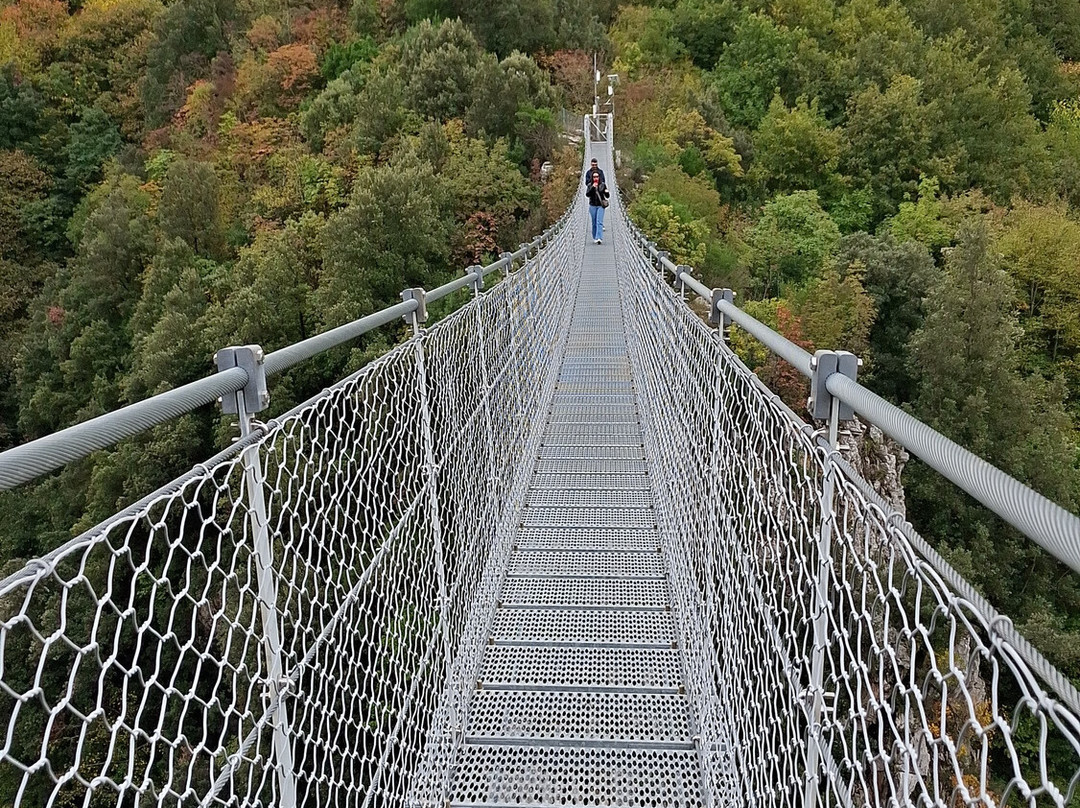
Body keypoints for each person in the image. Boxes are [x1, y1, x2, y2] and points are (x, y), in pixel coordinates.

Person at [586, 174, 609, 244]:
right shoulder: (590, 185)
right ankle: (595, 236)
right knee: (594, 222)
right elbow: (587, 194)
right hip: (592, 205)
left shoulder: (603, 185)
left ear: (599, 177)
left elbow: (607, 196)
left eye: (597, 177)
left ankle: (599, 237)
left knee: (599, 222)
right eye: (594, 177)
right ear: (592, 178)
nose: (596, 178)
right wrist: (593, 187)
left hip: (600, 206)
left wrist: (606, 192)